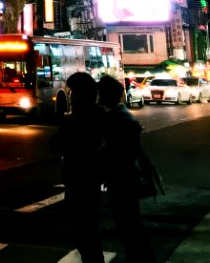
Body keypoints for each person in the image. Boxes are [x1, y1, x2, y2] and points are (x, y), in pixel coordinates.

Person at [97, 75, 156, 262]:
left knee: (129, 227)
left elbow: (122, 154)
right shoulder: (121, 116)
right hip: (125, 178)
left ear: (106, 95)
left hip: (123, 180)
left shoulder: (118, 119)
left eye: (100, 93)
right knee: (130, 226)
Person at [49, 72, 105, 263]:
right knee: (88, 231)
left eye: (73, 91)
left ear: (81, 94)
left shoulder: (78, 118)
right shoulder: (99, 114)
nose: (70, 95)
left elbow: (56, 144)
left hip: (79, 179)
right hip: (91, 179)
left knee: (84, 233)